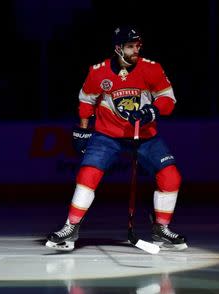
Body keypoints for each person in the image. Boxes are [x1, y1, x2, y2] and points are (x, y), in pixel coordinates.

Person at [45, 25, 187, 251]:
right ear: (118, 48)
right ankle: (70, 228)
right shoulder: (98, 72)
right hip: (107, 135)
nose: (136, 50)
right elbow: (86, 101)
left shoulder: (152, 68)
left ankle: (161, 229)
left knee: (171, 177)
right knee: (87, 173)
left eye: (138, 46)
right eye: (130, 46)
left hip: (144, 134)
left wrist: (151, 111)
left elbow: (168, 99)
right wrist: (83, 129)